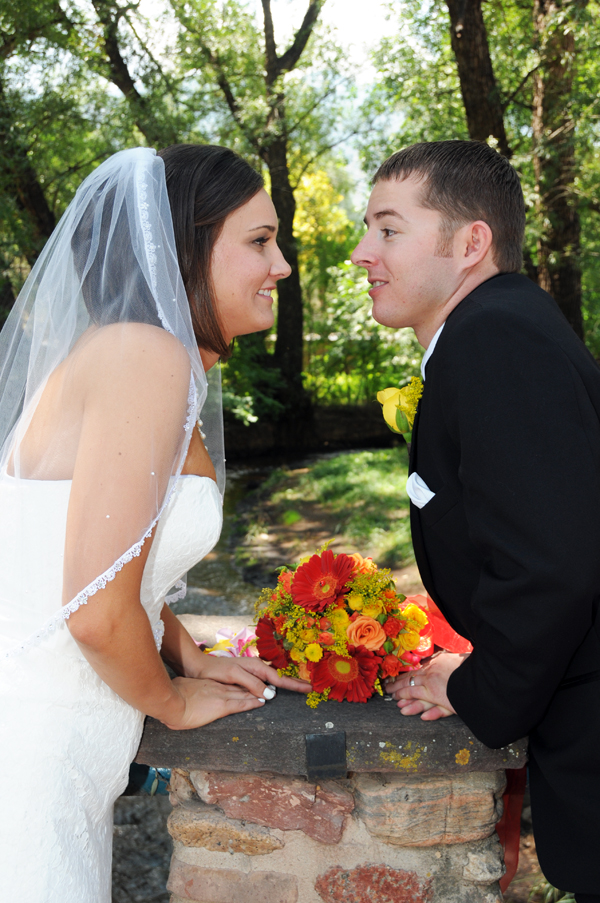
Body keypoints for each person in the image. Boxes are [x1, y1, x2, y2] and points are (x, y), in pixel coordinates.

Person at [0, 144, 308, 901]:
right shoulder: (145, 355)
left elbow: (97, 553)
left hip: (59, 744)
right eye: (259, 241)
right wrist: (171, 700)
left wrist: (184, 648)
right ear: (185, 246)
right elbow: (98, 612)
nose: (283, 267)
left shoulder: (127, 353)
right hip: (35, 745)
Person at [351, 140, 600, 901]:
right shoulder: (498, 328)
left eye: (389, 230)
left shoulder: (497, 340)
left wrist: (478, 690)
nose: (363, 253)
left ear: (470, 243)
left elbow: (551, 565)